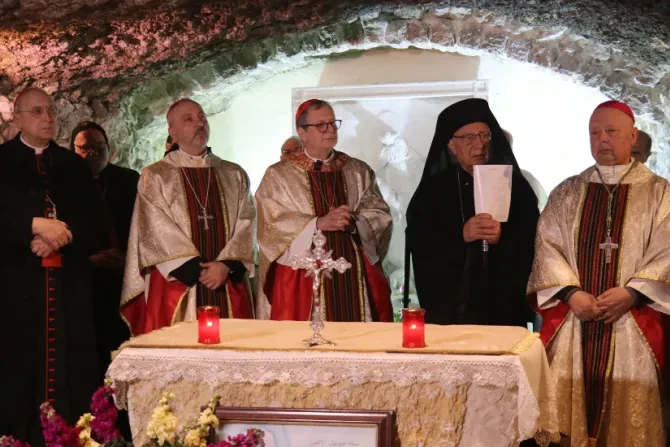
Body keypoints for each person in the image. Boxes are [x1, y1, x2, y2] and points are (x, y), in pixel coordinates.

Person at [528, 100, 670, 446]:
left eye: (611, 132)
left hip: (632, 321)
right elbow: (546, 244)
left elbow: (667, 249)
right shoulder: (567, 192)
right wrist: (571, 294)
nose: (602, 140)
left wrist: (632, 292)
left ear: (632, 136)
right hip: (575, 320)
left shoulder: (660, 193)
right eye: (595, 133)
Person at [0, 88, 103, 445]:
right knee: (18, 369)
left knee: (73, 365)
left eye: (51, 111)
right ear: (17, 118)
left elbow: (95, 222)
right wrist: (29, 227)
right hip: (17, 289)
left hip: (68, 285)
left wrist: (61, 235)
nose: (47, 118)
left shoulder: (73, 165)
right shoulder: (1, 161)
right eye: (37, 111)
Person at [121, 98, 255, 336]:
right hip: (180, 284)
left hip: (226, 281)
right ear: (172, 131)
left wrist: (225, 266)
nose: (199, 123)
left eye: (202, 117)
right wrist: (199, 270)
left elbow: (247, 222)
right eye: (188, 119)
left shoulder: (233, 174)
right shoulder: (155, 176)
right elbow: (154, 229)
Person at [256, 99, 393, 322]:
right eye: (321, 125)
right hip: (302, 276)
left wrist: (354, 222)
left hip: (353, 271)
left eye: (332, 123)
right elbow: (271, 224)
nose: (330, 129)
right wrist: (317, 224)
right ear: (303, 132)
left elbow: (380, 215)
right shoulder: (279, 175)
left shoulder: (357, 170)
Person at [404, 98, 538, 327]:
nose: (479, 144)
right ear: (451, 145)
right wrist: (460, 235)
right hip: (453, 310)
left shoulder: (516, 187)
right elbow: (420, 241)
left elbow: (534, 238)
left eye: (484, 135)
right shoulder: (432, 191)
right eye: (468, 137)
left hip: (502, 307)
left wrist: (502, 235)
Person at [70, 121, 138, 379]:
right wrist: (91, 260)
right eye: (85, 148)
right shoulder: (64, 186)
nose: (92, 153)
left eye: (99, 147)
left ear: (110, 149)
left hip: (124, 278)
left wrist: (129, 261)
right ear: (73, 150)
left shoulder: (129, 181)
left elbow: (144, 229)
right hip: (85, 279)